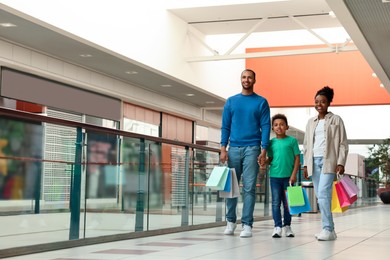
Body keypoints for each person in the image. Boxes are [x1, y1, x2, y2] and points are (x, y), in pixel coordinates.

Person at [220, 69, 271, 238]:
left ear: (254, 80)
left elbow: (265, 126)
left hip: (253, 149)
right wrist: (223, 148)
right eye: (244, 77)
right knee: (231, 188)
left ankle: (247, 224)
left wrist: (264, 150)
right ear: (240, 79)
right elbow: (225, 126)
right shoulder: (231, 102)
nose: (246, 80)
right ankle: (230, 221)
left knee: (249, 188)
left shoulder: (261, 102)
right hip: (233, 148)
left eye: (249, 77)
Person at [303, 86, 348, 241]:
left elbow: (342, 143)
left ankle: (327, 228)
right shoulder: (310, 122)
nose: (319, 104)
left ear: (329, 103)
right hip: (313, 161)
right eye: (316, 102)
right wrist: (305, 164)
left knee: (323, 194)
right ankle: (330, 230)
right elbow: (307, 144)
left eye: (322, 101)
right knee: (321, 195)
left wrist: (341, 162)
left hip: (329, 161)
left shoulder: (336, 120)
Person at [266, 114, 300, 238]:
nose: (278, 127)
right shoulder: (271, 143)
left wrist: (294, 175)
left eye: (281, 124)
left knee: (288, 203)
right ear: (272, 128)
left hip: (289, 178)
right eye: (275, 125)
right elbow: (270, 158)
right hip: (274, 177)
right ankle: (277, 227)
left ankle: (287, 226)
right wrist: (264, 162)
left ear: (287, 127)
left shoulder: (292, 141)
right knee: (275, 203)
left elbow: (297, 159)